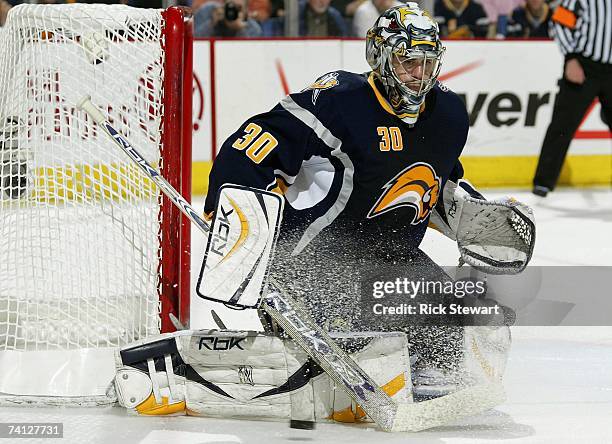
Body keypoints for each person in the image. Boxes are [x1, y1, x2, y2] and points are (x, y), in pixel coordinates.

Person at [205, 3, 531, 399]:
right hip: (309, 265)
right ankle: (308, 344)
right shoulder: (339, 101)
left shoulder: (448, 115)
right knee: (372, 336)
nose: (418, 76)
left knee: (460, 321)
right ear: (379, 55)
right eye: (408, 61)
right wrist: (236, 222)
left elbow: (436, 185)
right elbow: (251, 148)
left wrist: (475, 219)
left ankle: (425, 379)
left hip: (392, 262)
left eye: (428, 64)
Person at [533, 0, 612, 196]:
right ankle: (543, 182)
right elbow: (559, 22)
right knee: (562, 124)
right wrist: (571, 57)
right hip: (584, 65)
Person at [194, 0, 262, 38]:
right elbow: (194, 41)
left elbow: (251, 52)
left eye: (238, 8)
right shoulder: (209, 11)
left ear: (246, 10)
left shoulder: (253, 28)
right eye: (230, 7)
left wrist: (240, 30)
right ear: (223, 5)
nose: (232, 12)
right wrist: (212, 24)